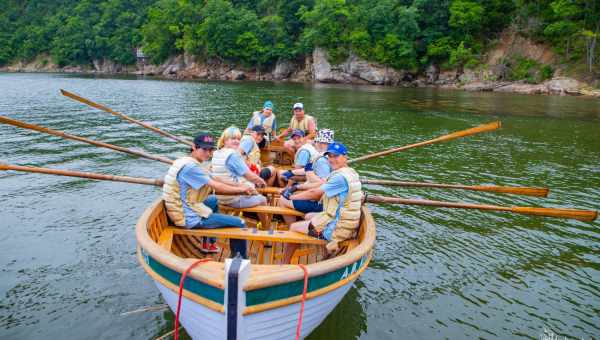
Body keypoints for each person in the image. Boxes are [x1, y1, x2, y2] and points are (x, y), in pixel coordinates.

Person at [162, 133, 251, 256]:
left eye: (210, 150)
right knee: (240, 224)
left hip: (183, 209)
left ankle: (208, 243)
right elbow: (218, 186)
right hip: (188, 219)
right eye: (204, 149)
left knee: (213, 200)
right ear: (193, 147)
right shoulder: (191, 167)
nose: (208, 153)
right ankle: (239, 260)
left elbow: (216, 178)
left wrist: (240, 186)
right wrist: (242, 190)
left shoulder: (187, 161)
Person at [283, 142, 363, 263]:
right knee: (308, 216)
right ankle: (325, 252)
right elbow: (320, 184)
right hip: (347, 221)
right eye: (329, 156)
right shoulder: (350, 172)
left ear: (345, 157)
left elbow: (315, 193)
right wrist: (297, 187)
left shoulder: (339, 177)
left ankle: (284, 263)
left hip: (338, 227)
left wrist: (291, 198)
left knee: (294, 227)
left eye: (336, 156)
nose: (332, 159)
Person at [211, 126, 270, 227]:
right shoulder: (233, 155)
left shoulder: (216, 153)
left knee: (248, 187)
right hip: (232, 199)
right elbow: (250, 176)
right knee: (263, 199)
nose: (237, 141)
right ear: (224, 140)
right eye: (233, 139)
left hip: (219, 196)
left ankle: (237, 215)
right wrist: (262, 181)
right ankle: (265, 226)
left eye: (238, 139)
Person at [277, 129, 335, 225]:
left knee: (282, 200)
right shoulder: (329, 157)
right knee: (293, 192)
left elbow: (322, 185)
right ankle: (303, 220)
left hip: (321, 203)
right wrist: (291, 172)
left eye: (316, 141)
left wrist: (295, 192)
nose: (315, 143)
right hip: (325, 199)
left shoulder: (322, 161)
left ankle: (291, 227)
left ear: (320, 143)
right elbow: (308, 172)